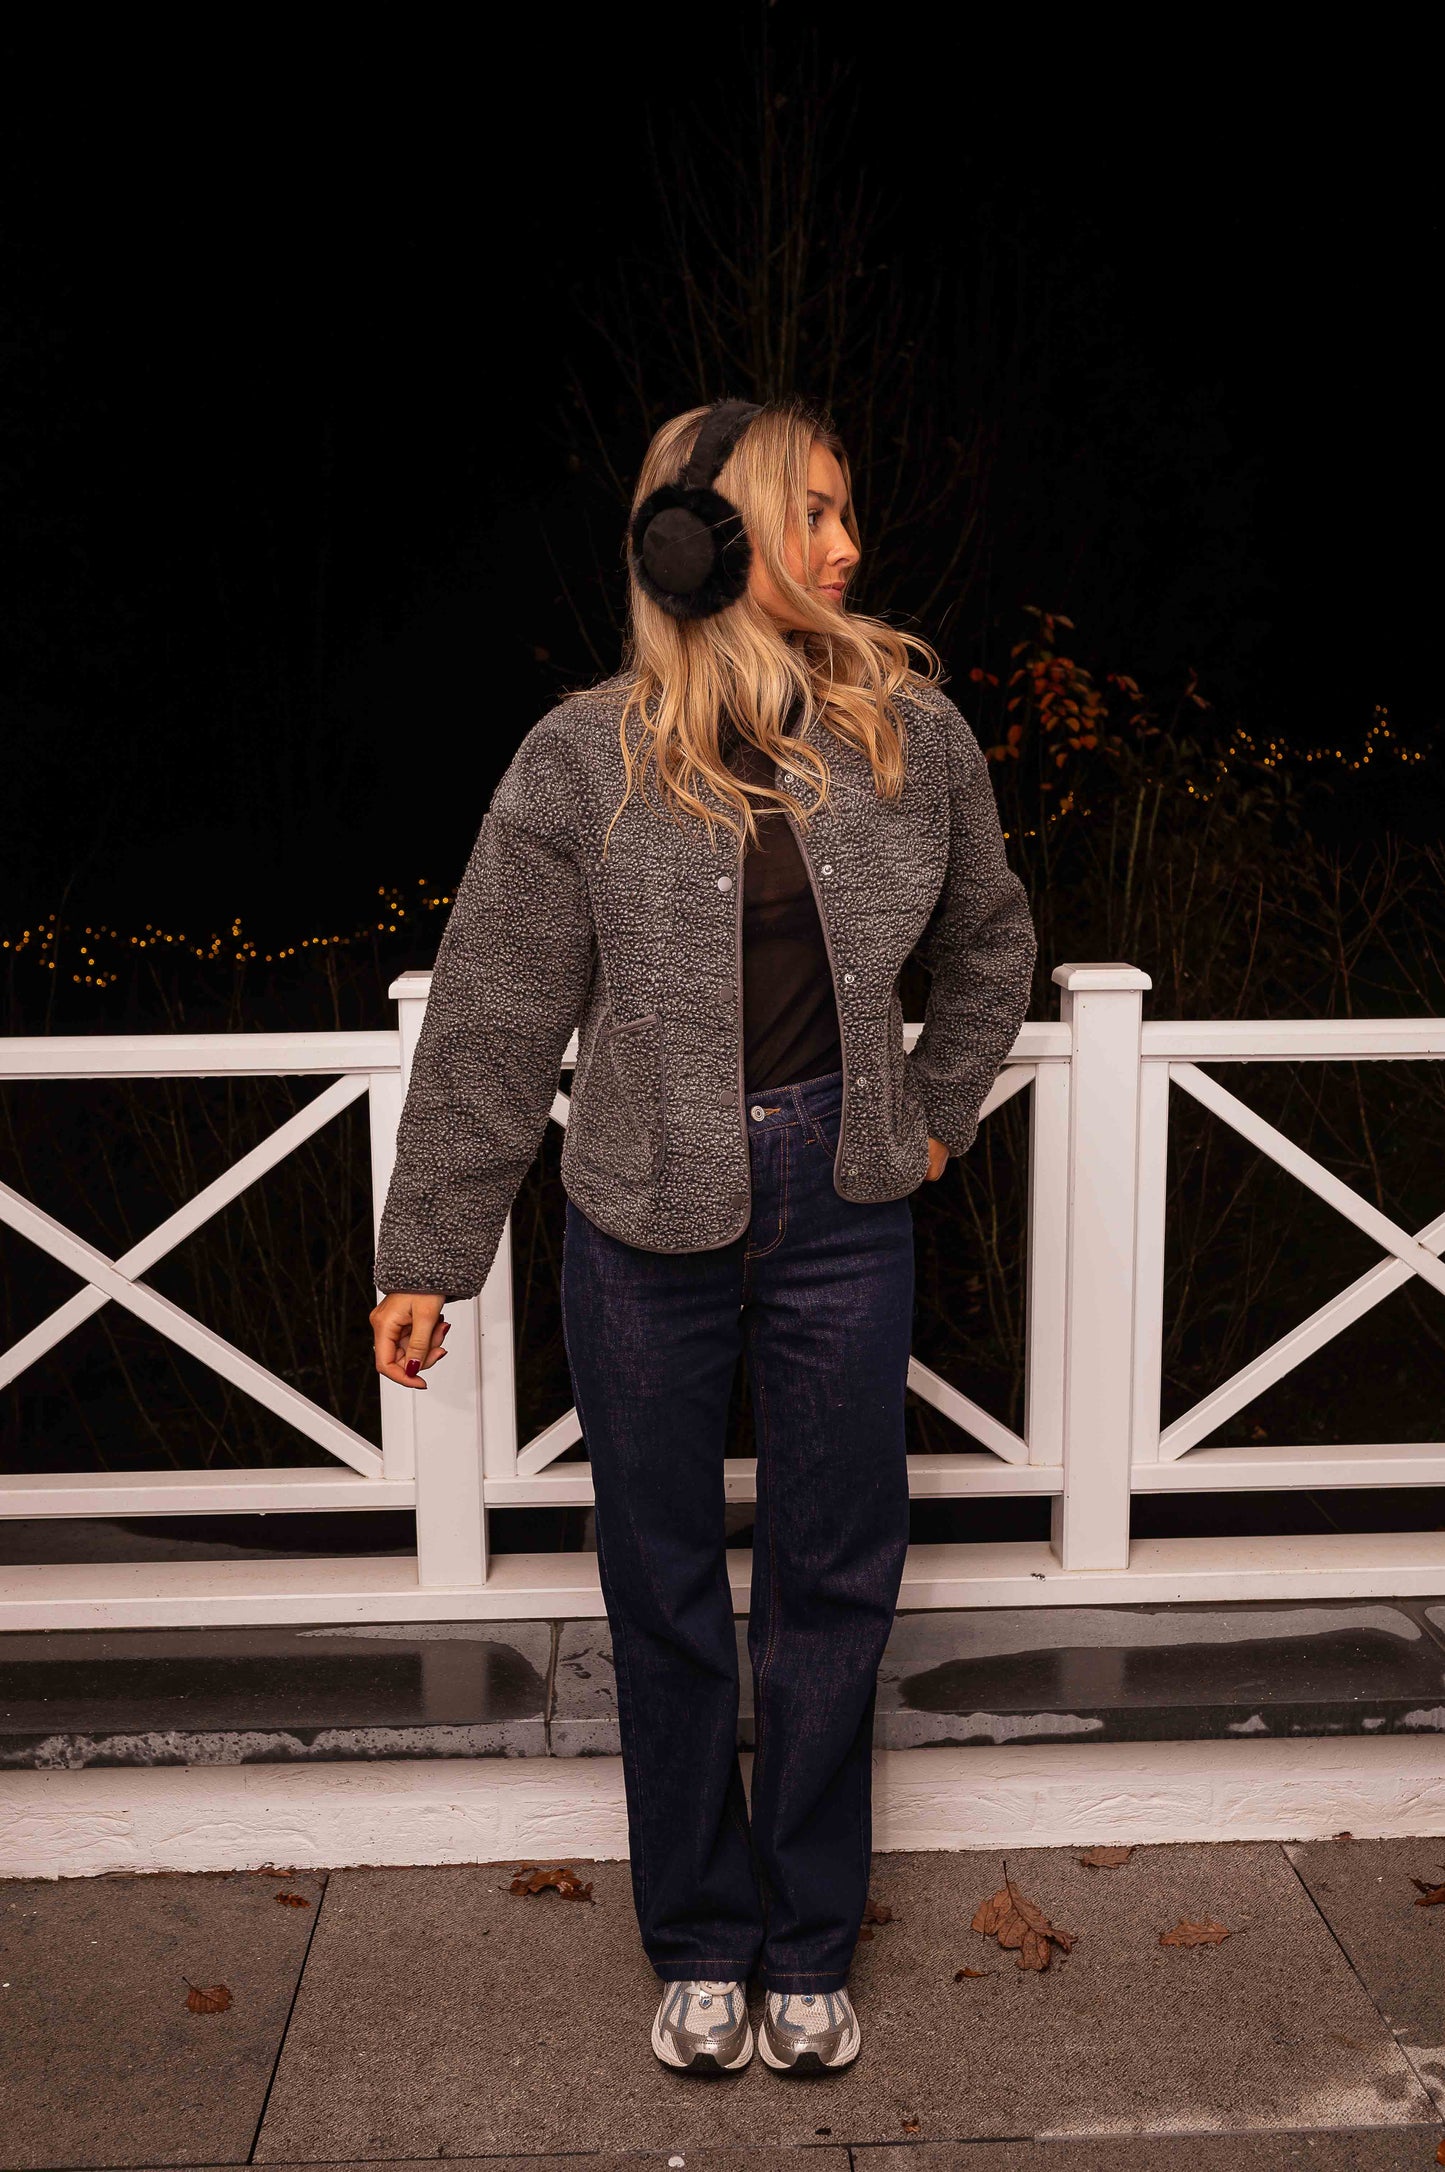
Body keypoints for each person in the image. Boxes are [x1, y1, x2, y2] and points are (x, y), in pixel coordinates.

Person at [370, 396, 1037, 2075]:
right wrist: (429, 1248)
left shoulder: (909, 735)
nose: (847, 547)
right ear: (704, 537)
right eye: (811, 513)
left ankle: (807, 1941)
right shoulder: (579, 756)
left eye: (846, 511)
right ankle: (698, 1938)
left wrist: (939, 1107)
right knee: (660, 1586)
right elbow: (496, 1009)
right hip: (636, 1214)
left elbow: (990, 940)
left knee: (832, 1579)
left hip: (844, 1210)